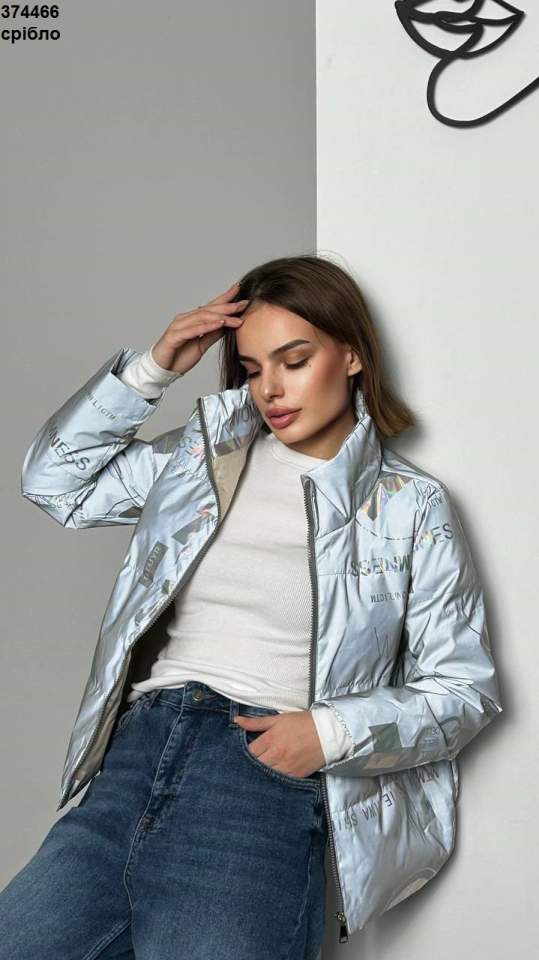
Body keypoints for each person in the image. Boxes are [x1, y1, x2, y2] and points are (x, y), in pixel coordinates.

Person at [0, 254, 503, 957]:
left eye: (294, 361)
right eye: (251, 367)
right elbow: (55, 484)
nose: (270, 388)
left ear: (351, 355)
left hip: (257, 779)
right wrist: (154, 368)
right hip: (134, 759)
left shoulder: (407, 506)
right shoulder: (199, 462)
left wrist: (325, 734)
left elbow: (462, 691)